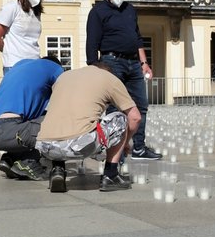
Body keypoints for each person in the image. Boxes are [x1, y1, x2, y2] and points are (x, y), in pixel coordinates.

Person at [85, 0, 161, 160]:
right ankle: (114, 151)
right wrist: (94, 65)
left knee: (141, 106)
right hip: (111, 62)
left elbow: (137, 38)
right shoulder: (98, 11)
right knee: (114, 108)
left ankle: (139, 148)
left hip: (134, 63)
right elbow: (92, 40)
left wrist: (144, 63)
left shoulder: (129, 10)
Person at [36, 62, 141, 193]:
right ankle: (111, 175)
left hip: (45, 146)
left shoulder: (64, 76)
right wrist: (124, 143)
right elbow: (135, 118)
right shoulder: (109, 78)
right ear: (107, 72)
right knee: (120, 118)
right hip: (79, 146)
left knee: (61, 121)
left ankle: (58, 170)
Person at [0, 54, 64, 180]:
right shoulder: (55, 68)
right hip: (11, 129)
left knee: (37, 119)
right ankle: (28, 161)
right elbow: (64, 98)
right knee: (58, 124)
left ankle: (10, 158)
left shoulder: (20, 65)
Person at [0, 0, 48, 74]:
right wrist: (10, 51)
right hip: (15, 65)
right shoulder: (12, 7)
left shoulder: (36, 12)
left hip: (34, 64)